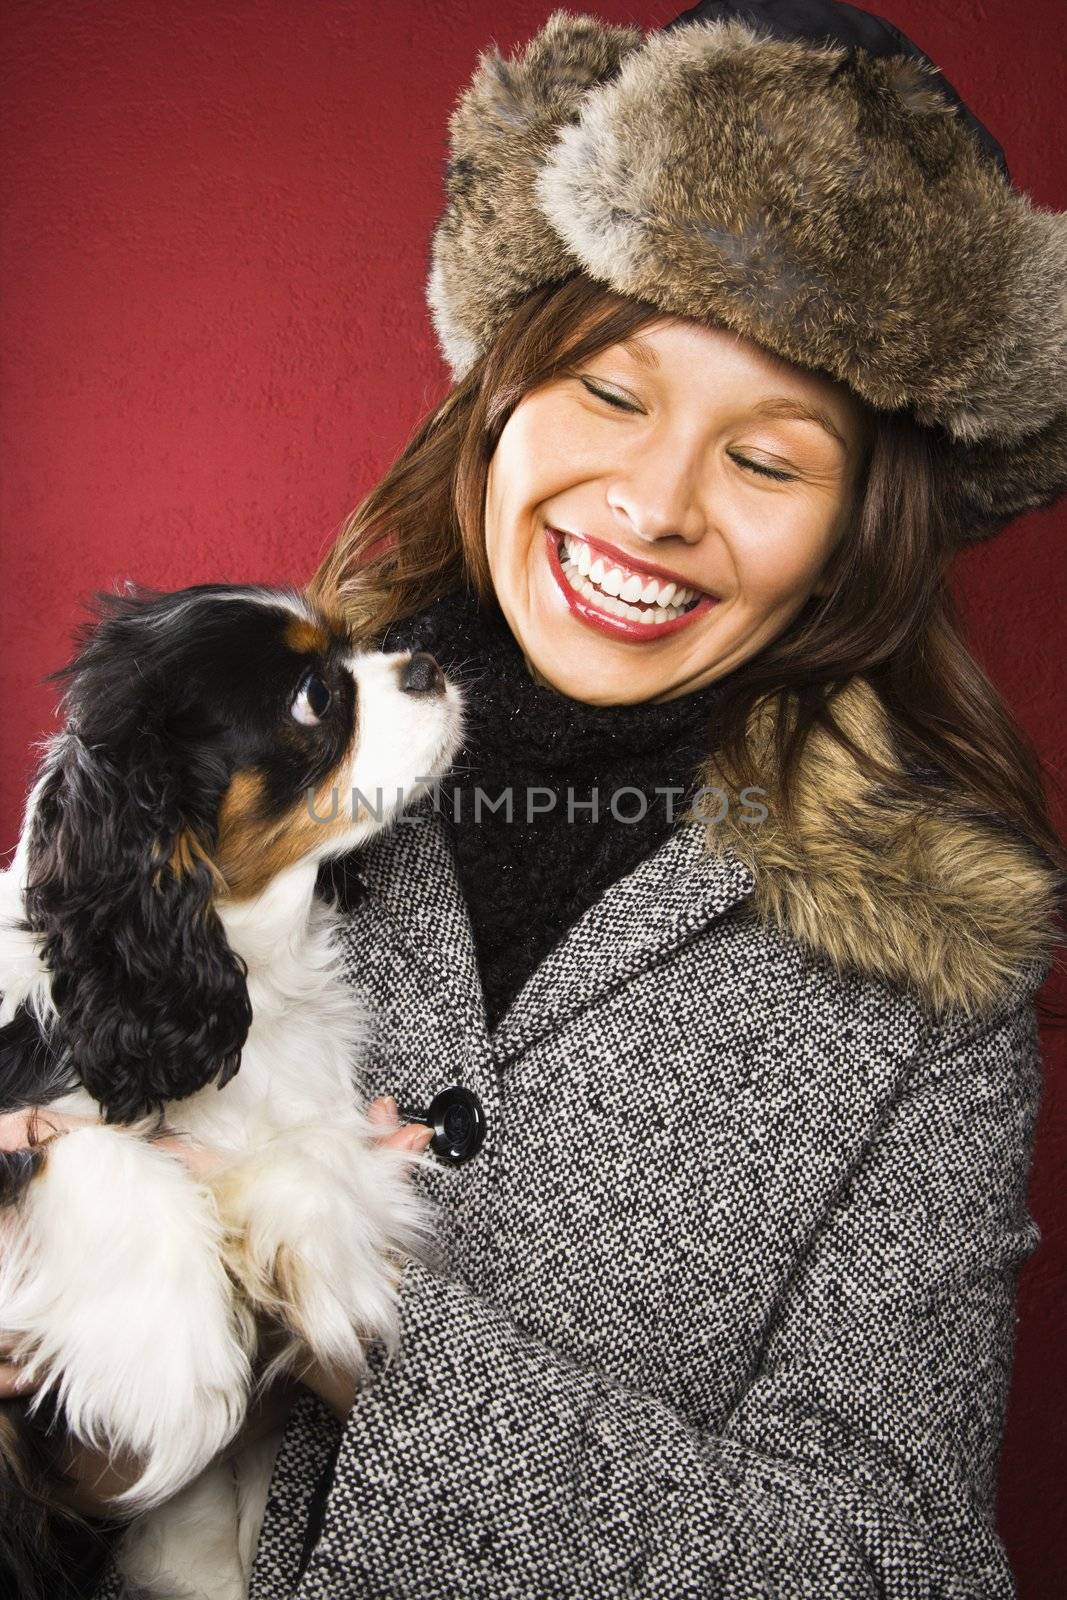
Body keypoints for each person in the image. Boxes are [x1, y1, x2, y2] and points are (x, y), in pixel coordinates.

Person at [3, 1, 1066, 1594]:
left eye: (769, 462)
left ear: (864, 533)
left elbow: (903, 1567)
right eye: (613, 396)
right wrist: (58, 1438)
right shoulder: (219, 757)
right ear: (498, 395)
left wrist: (361, 1338)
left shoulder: (934, 992)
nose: (654, 505)